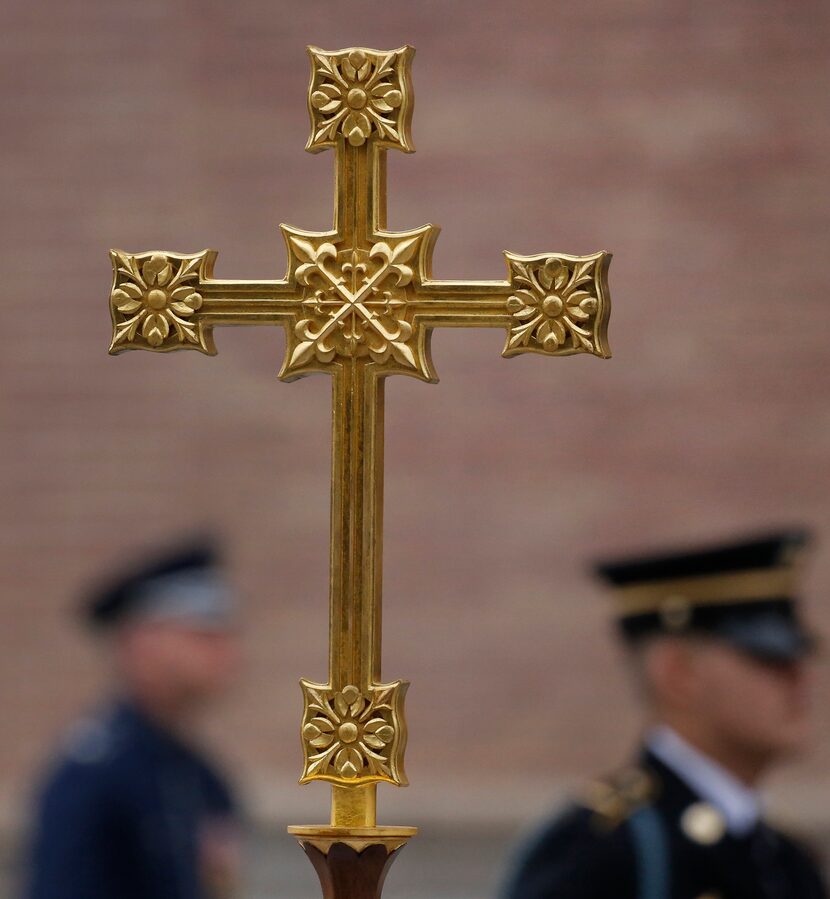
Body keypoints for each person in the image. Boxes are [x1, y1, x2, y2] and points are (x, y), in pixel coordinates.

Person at [502, 529, 827, 899]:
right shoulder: (605, 851)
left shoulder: (784, 857)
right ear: (678, 672)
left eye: (797, 659)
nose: (800, 680)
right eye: (769, 660)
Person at [23, 537, 241, 899]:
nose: (227, 651)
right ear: (142, 642)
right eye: (203, 634)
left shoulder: (203, 776)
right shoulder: (95, 775)